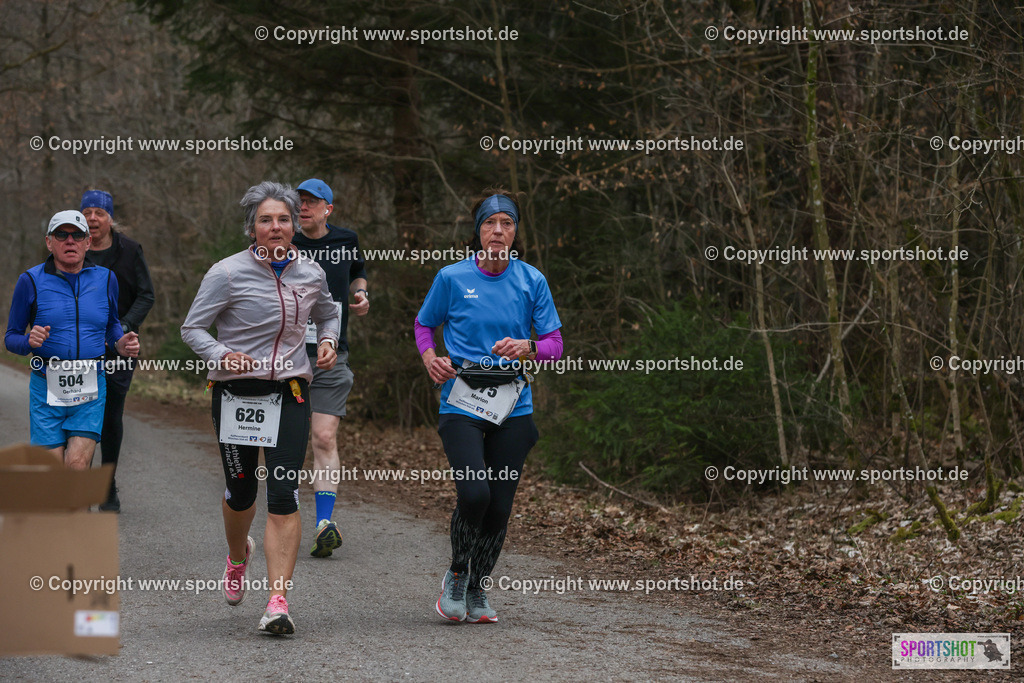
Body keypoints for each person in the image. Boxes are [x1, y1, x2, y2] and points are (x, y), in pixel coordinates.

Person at [181, 181, 340, 636]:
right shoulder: (227, 272)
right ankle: (237, 556)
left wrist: (327, 340)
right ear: (252, 227)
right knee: (241, 491)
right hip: (235, 392)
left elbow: (328, 313)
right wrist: (220, 355)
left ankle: (277, 601)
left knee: (284, 492)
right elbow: (192, 329)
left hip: (290, 389)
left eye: (284, 219)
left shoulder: (311, 272)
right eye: (266, 220)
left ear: (296, 225)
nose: (275, 227)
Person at [415, 189, 563, 623]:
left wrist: (528, 346)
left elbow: (554, 345)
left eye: (507, 224)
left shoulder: (531, 280)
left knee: (499, 506)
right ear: (478, 231)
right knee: (475, 492)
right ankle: (457, 574)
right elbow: (425, 324)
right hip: (461, 402)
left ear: (515, 233)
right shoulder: (452, 278)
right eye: (489, 224)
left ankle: (478, 587)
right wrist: (430, 358)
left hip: (513, 407)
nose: (497, 232)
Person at [4, 210, 140, 468]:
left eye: (77, 235)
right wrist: (28, 342)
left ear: (88, 242)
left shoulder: (106, 279)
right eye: (61, 235)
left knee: (76, 466)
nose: (70, 241)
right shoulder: (30, 281)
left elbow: (111, 325)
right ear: (49, 242)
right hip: (45, 387)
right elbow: (10, 338)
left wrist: (120, 343)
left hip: (90, 386)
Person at [291, 178, 369, 558]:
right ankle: (284, 517)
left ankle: (324, 522)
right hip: (285, 357)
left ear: (328, 209)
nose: (303, 207)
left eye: (311, 202)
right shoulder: (281, 242)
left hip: (331, 355)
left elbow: (358, 271)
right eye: (299, 201)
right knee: (285, 441)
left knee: (323, 437)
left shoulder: (345, 239)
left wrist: (361, 293)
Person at [82, 189, 155, 512]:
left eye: (99, 212)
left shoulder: (129, 250)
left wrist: (123, 327)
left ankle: (107, 485)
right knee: (81, 414)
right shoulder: (72, 248)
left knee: (111, 416)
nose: (93, 218)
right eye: (87, 212)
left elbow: (146, 295)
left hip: (120, 349)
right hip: (79, 348)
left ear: (110, 218)